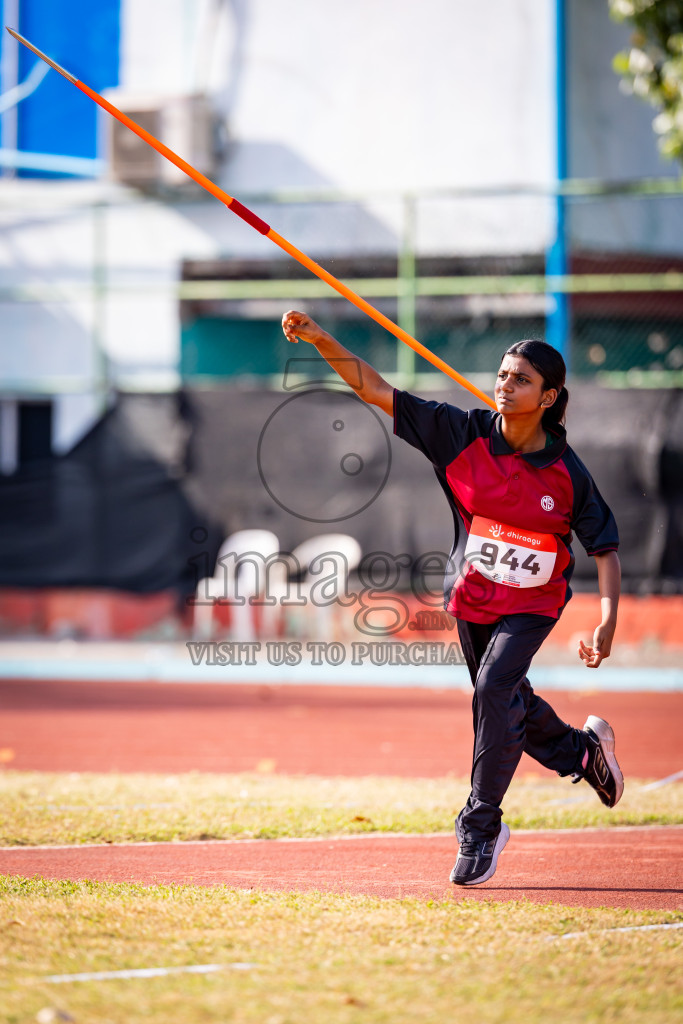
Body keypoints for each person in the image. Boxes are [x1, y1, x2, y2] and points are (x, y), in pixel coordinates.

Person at [281, 310, 624, 887]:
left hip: (535, 602)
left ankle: (481, 823)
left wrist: (609, 621)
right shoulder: (458, 433)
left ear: (549, 397)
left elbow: (605, 547)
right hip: (472, 596)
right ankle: (582, 755)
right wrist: (319, 339)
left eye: (520, 379)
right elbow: (372, 387)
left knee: (494, 690)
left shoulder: (567, 472)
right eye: (502, 374)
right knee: (506, 701)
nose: (505, 384)